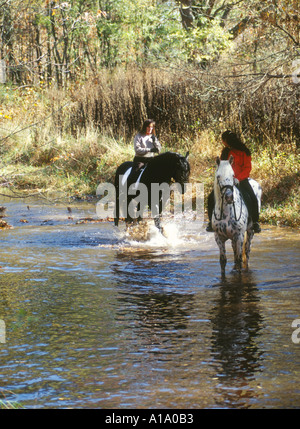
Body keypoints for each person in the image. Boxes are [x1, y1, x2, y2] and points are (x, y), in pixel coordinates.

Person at [206, 130, 261, 233]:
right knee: (211, 198)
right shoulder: (226, 151)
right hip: (227, 181)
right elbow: (222, 166)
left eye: (223, 140)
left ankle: (255, 222)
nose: (223, 142)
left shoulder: (245, 152)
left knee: (253, 198)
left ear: (227, 140)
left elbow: (247, 168)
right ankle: (211, 222)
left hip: (241, 180)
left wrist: (238, 179)